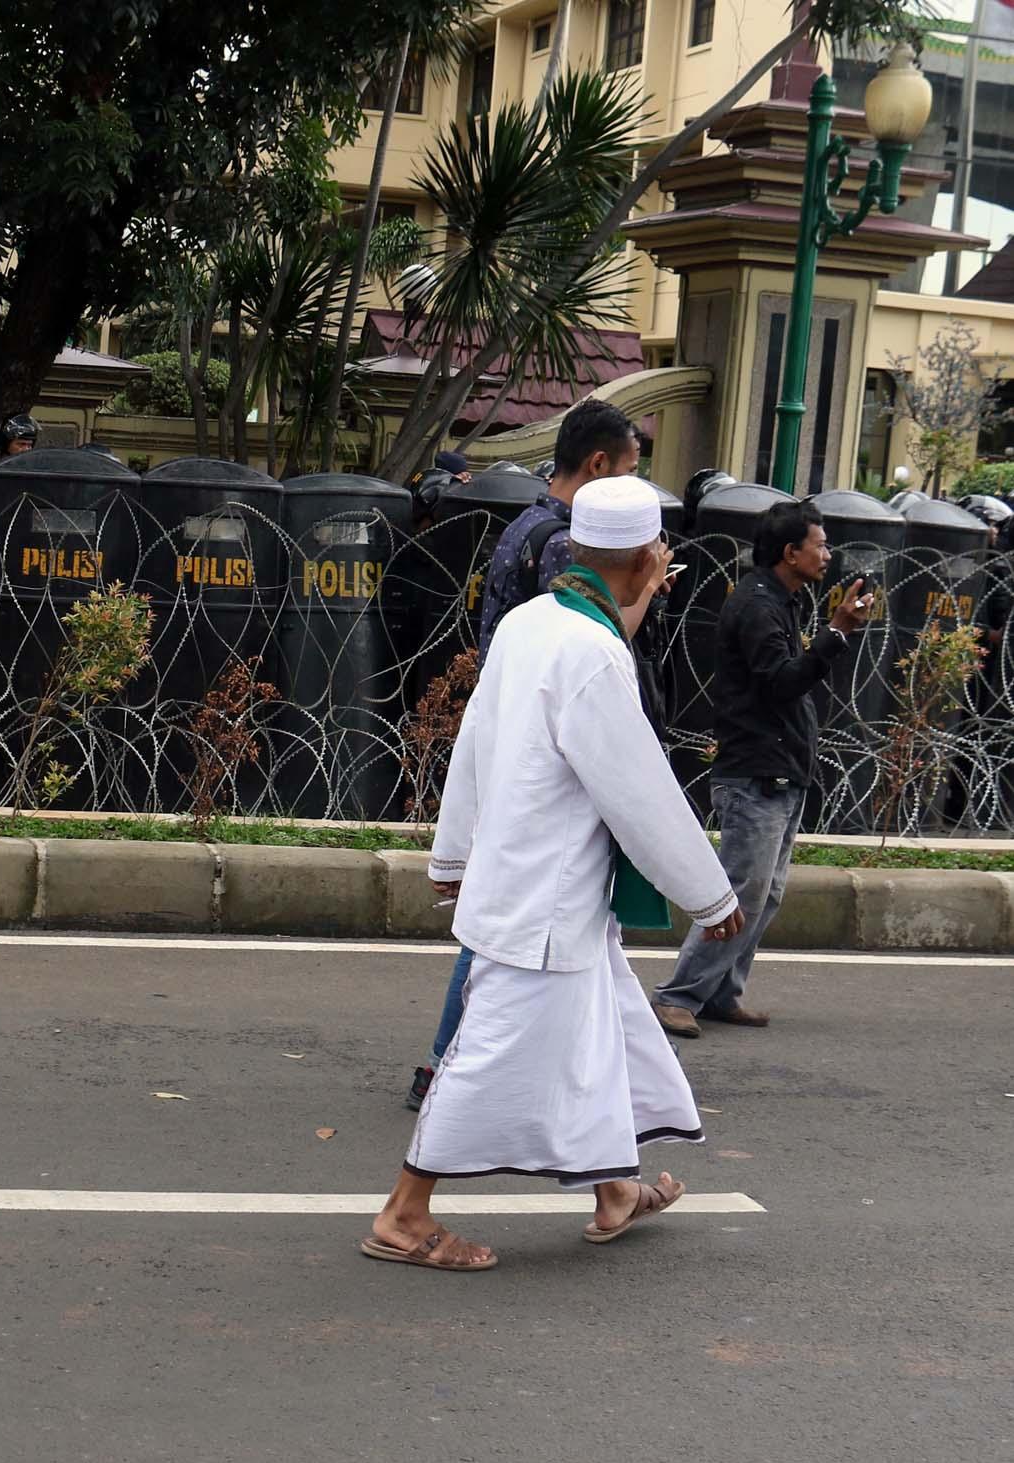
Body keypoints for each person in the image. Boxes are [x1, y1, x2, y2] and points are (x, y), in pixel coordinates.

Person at [367, 478, 744, 1272]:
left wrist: (454, 854)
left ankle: (615, 1190)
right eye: (657, 554)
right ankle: (403, 1214)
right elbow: (638, 790)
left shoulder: (534, 621)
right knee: (487, 1057)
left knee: (605, 1034)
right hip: (543, 901)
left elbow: (476, 735)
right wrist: (709, 894)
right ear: (643, 558)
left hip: (536, 884)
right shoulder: (591, 652)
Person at [402, 399, 643, 1110]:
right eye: (628, 472)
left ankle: (542, 1078)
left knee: (503, 921)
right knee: (501, 931)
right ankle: (446, 1067)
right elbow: (588, 639)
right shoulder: (567, 544)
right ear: (597, 465)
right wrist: (646, 590)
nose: (632, 486)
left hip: (512, 730)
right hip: (545, 754)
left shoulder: (525, 523)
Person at [652, 501, 870, 1038]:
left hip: (781, 768)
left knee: (765, 894)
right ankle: (677, 995)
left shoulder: (782, 601)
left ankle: (722, 992)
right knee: (741, 891)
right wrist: (836, 633)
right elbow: (780, 682)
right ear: (791, 553)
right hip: (755, 772)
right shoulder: (756, 605)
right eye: (820, 545)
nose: (828, 554)